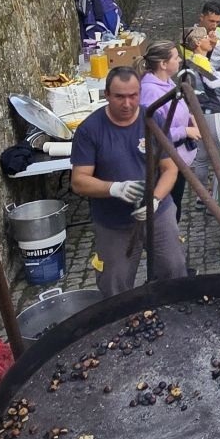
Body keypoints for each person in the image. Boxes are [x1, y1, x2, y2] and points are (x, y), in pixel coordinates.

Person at [71, 66, 185, 296]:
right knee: (115, 283)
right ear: (106, 95)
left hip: (158, 213)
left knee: (174, 269)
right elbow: (79, 181)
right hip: (113, 222)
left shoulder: (152, 119)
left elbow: (170, 169)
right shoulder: (90, 130)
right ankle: (121, 325)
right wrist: (115, 188)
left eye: (133, 96)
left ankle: (171, 314)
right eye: (120, 97)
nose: (127, 104)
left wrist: (154, 199)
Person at [139, 40, 201, 165]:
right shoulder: (150, 92)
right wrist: (185, 131)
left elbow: (174, 111)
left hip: (179, 159)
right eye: (176, 57)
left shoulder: (168, 81)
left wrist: (189, 118)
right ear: (163, 64)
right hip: (167, 163)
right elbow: (150, 132)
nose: (180, 60)